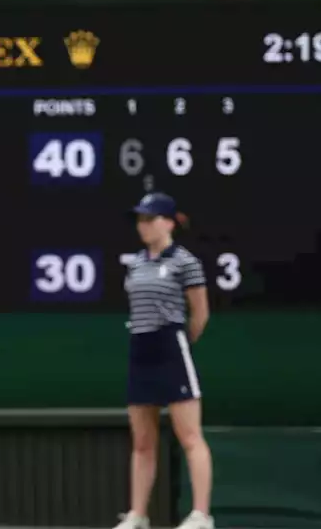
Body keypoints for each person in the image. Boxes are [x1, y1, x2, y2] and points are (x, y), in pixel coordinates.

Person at [115, 192, 214, 529]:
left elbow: (200, 313)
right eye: (140, 220)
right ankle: (138, 515)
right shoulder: (136, 263)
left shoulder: (185, 261)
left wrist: (181, 341)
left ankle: (201, 514)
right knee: (142, 442)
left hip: (171, 348)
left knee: (190, 436)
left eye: (150, 219)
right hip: (139, 350)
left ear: (169, 222)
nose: (143, 226)